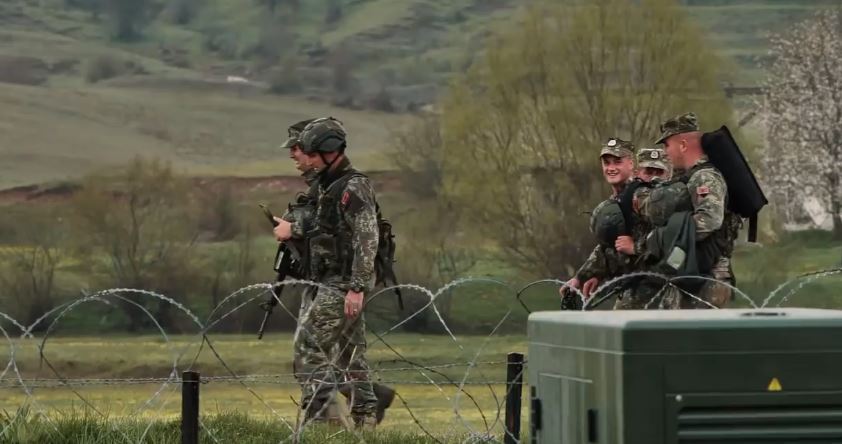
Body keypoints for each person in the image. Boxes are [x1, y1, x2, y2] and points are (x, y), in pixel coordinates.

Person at [272, 117, 383, 428]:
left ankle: (324, 420)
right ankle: (365, 418)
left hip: (344, 281)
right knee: (351, 354)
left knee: (308, 346)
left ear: (328, 151)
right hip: (333, 278)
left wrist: (357, 288)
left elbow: (367, 238)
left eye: (310, 151)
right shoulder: (329, 185)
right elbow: (324, 228)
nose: (303, 156)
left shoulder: (353, 186)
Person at [637, 112, 741, 308]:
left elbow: (710, 220)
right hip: (691, 269)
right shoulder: (689, 177)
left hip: (709, 276)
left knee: (700, 337)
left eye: (667, 145)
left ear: (683, 145)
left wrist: (663, 237)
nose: (665, 152)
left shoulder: (705, 177)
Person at [560, 138, 635, 306]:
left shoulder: (641, 196)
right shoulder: (615, 202)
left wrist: (636, 247)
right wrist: (583, 276)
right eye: (606, 163)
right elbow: (607, 247)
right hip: (628, 287)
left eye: (617, 162)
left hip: (651, 287)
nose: (611, 168)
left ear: (631, 164)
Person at [611, 147, 672, 309]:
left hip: (668, 283)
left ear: (668, 174)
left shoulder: (676, 202)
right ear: (638, 173)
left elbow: (673, 241)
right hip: (636, 283)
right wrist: (585, 275)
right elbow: (608, 242)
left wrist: (636, 247)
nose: (653, 178)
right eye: (648, 172)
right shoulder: (628, 198)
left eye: (659, 172)